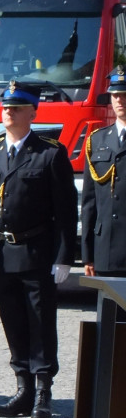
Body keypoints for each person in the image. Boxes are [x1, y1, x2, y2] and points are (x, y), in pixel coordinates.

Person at [0, 80, 77, 418]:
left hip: (37, 251)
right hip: (2, 251)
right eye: (6, 106)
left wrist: (64, 256)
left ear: (33, 112)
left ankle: (44, 389)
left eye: (16, 107)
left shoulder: (49, 153)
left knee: (40, 322)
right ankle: (23, 388)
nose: (9, 112)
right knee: (13, 321)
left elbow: (65, 210)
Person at [81, 65, 126, 278]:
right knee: (108, 311)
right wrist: (87, 253)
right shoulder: (97, 140)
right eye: (115, 95)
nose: (119, 100)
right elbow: (90, 202)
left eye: (124, 94)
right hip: (105, 247)